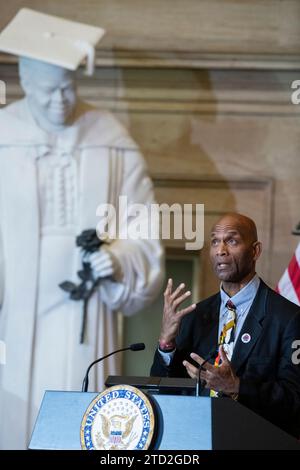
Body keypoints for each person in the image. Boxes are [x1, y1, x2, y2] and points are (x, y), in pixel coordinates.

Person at [0, 9, 164, 449]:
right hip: (13, 311)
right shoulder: (3, 135)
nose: (61, 101)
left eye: (69, 88)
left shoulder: (108, 137)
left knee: (75, 406)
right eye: (49, 91)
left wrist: (117, 258)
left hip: (85, 312)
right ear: (25, 84)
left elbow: (143, 228)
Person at [151, 213, 300, 437]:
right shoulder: (195, 316)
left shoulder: (288, 318)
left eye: (232, 241)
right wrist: (166, 344)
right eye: (214, 241)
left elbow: (295, 400)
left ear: (255, 251)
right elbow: (163, 389)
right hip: (197, 438)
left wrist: (236, 386)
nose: (221, 250)